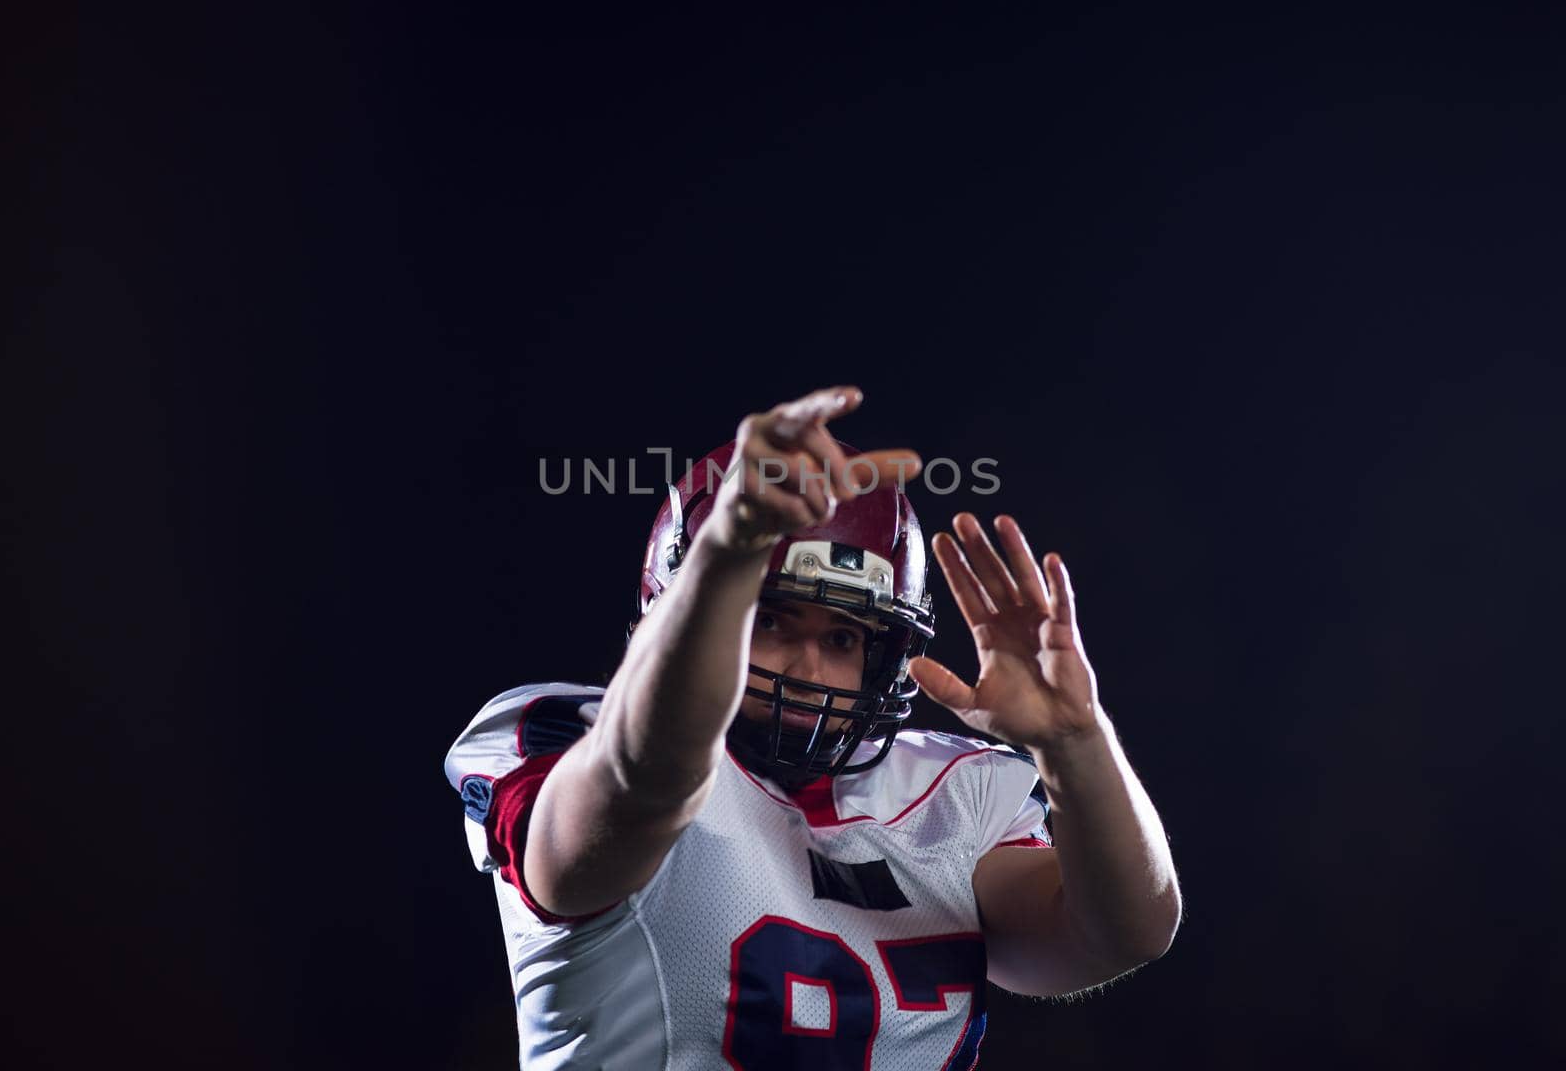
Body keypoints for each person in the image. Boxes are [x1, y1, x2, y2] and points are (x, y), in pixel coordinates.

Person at [444, 386, 1181, 1069]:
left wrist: (1078, 745)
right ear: (685, 602)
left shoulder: (954, 793)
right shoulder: (578, 742)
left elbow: (1126, 931)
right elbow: (646, 777)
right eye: (769, 621)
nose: (807, 666)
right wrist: (730, 547)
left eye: (842, 639)